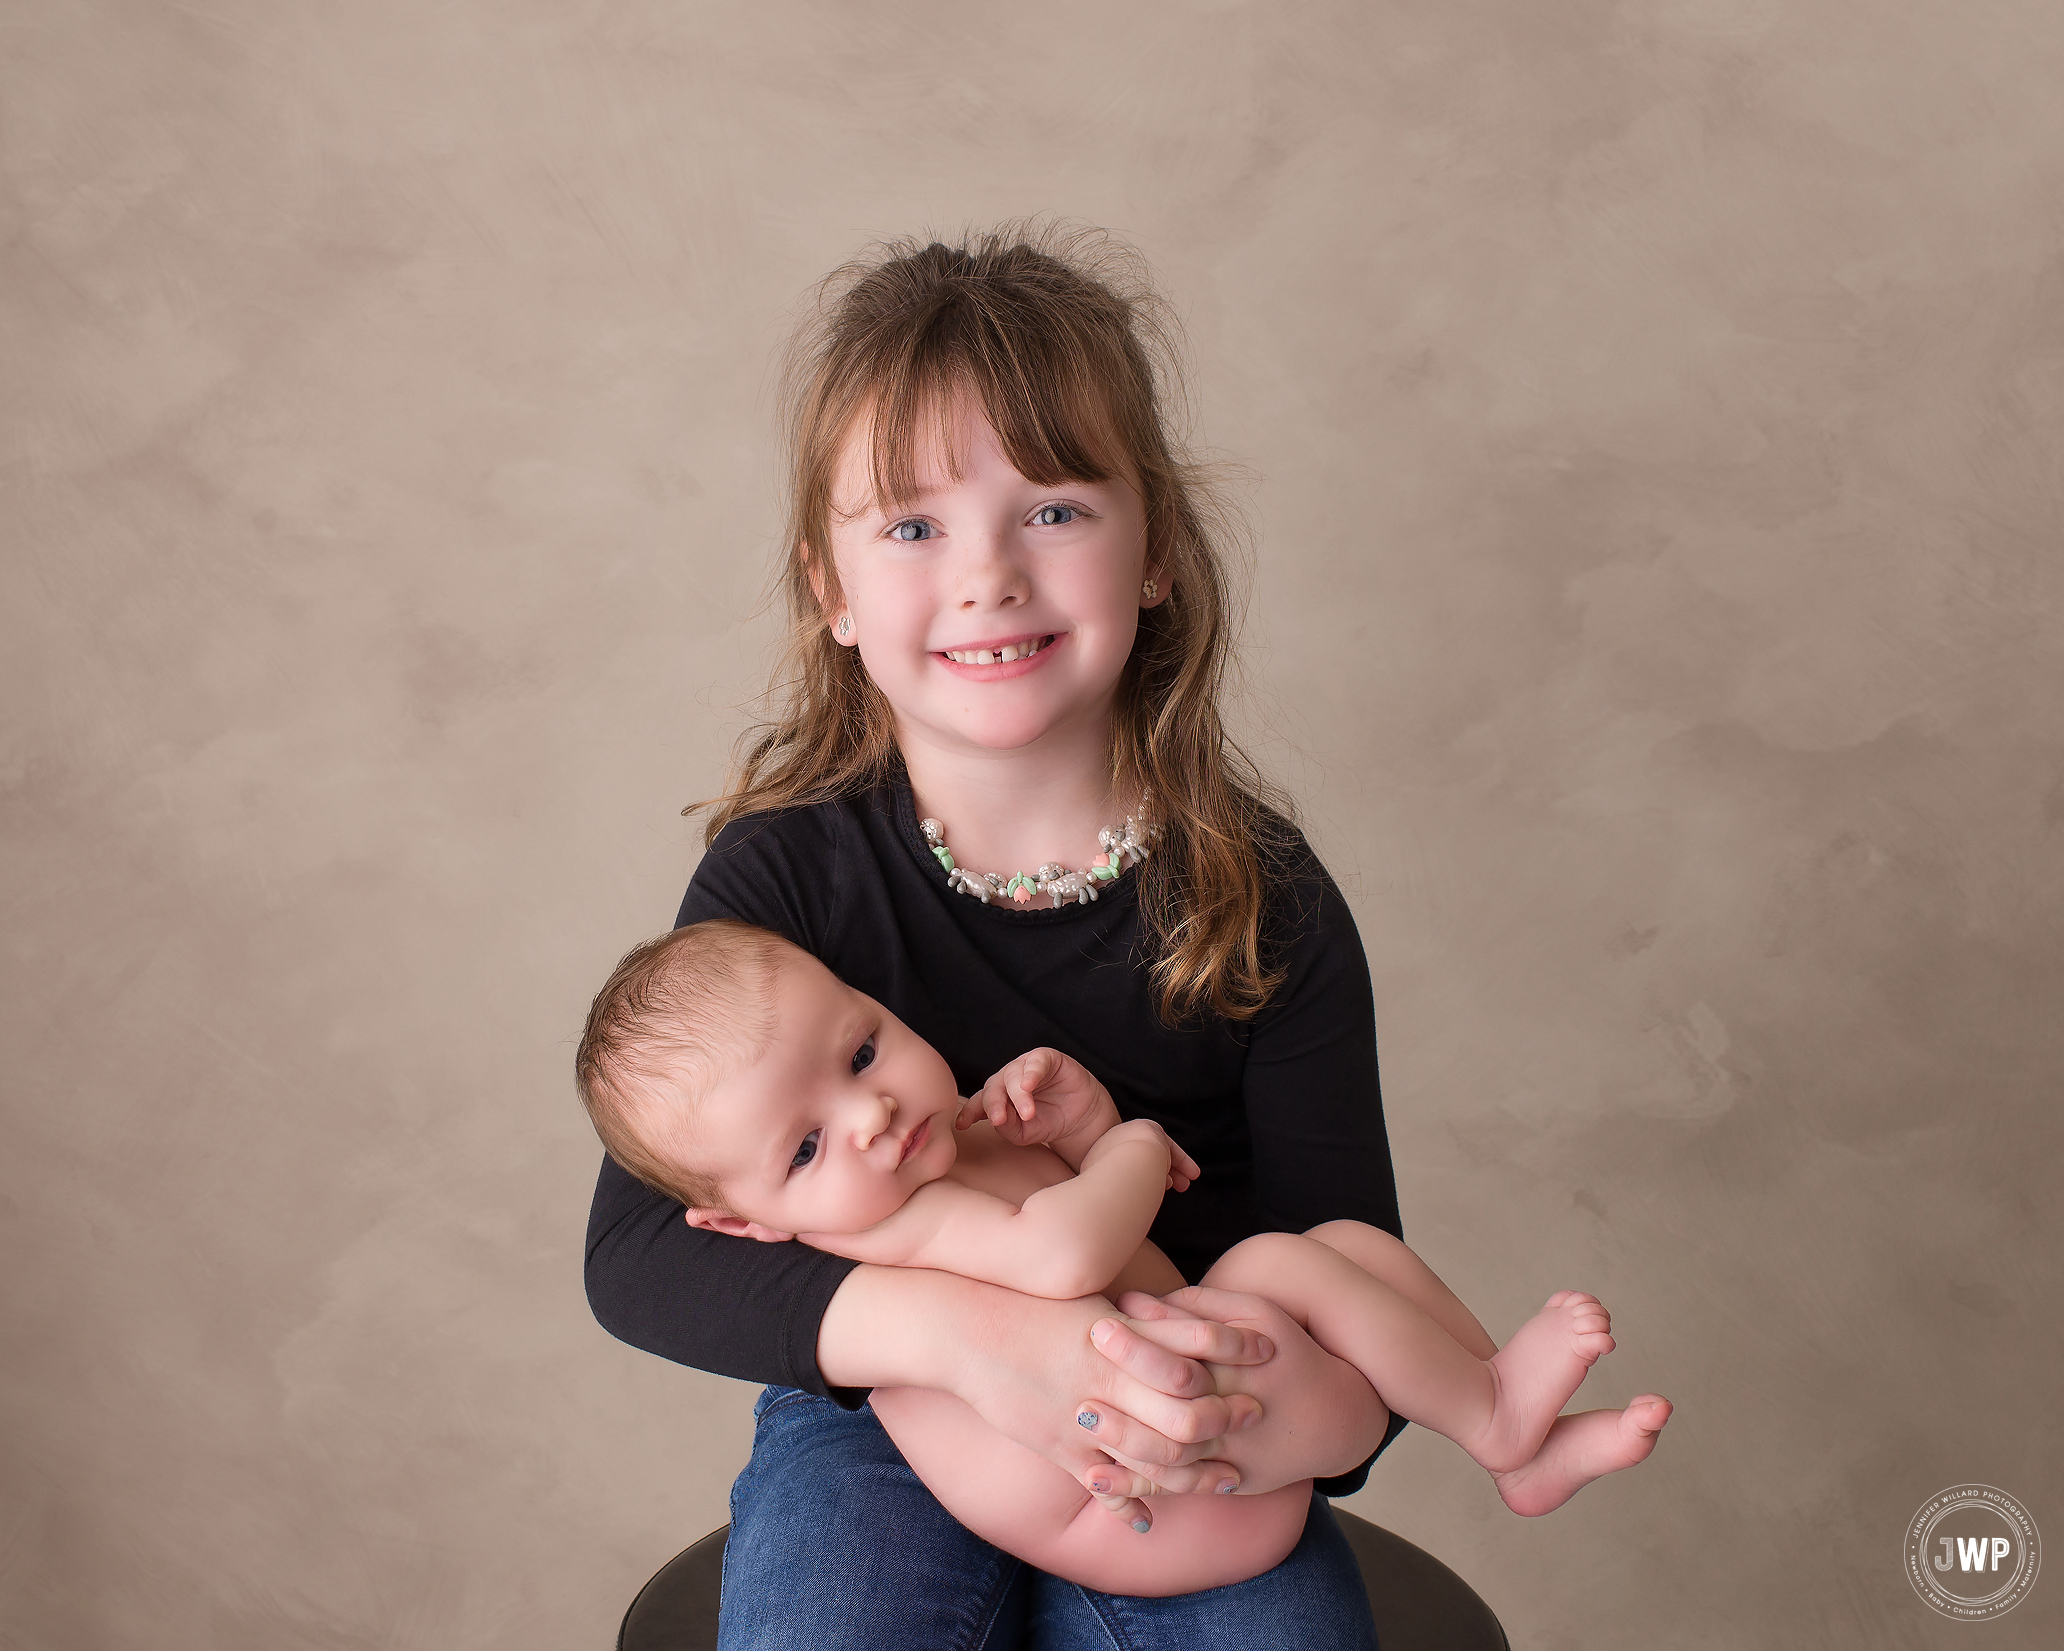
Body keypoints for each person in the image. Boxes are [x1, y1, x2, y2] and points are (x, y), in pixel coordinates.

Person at [584, 224, 1506, 1646]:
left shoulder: (1264, 895)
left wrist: (1230, 1410)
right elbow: (641, 1252)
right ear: (830, 591)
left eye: (1056, 508)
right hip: (885, 1412)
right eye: (910, 524)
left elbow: (1349, 1260)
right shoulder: (787, 879)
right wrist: (978, 1337)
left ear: (1158, 556)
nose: (988, 574)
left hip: (1192, 1395)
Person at [578, 918, 1674, 1598]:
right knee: (1283, 1265)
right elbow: (1063, 1256)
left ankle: (1507, 1438)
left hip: (1191, 1439)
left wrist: (1085, 1130)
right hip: (1135, 1508)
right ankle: (1491, 1408)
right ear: (744, 1224)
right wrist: (1137, 1144)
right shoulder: (882, 1228)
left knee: (1346, 1245)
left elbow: (1113, 1257)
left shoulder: (938, 1145)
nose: (869, 1111)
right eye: (807, 1146)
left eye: (862, 1047)